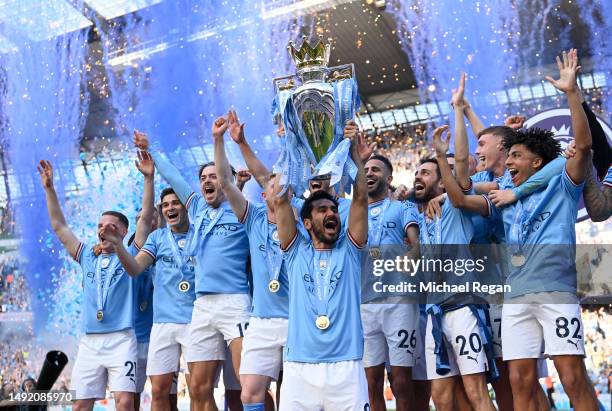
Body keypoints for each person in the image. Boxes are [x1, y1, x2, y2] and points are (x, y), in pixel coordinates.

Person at [433, 49, 599, 411]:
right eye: (506, 159)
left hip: (555, 291)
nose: (507, 164)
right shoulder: (504, 193)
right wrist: (456, 126)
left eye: (515, 158)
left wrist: (572, 93)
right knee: (519, 382)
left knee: (571, 377)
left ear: (536, 161)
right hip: (514, 298)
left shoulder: (563, 183)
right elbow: (462, 187)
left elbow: (583, 146)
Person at [134, 128, 251, 411]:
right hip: (202, 306)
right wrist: (152, 150)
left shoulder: (241, 209)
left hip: (234, 301)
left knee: (249, 385)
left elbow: (225, 178)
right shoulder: (196, 207)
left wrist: (217, 140)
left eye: (213, 177)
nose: (207, 181)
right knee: (199, 388)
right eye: (203, 178)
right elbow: (173, 176)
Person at [37, 150, 154, 411]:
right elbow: (60, 227)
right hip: (90, 341)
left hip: (122, 340)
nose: (103, 230)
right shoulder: (87, 255)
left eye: (111, 226)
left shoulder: (131, 253)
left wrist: (148, 180)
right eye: (100, 225)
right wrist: (49, 189)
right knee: (80, 406)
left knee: (125, 403)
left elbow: (145, 219)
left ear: (123, 231)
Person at [274, 122, 370, 409]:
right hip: (299, 368)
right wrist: (289, 144)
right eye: (322, 210)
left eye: (333, 209)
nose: (332, 214)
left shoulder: (350, 250)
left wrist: (354, 154)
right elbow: (280, 201)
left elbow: (361, 200)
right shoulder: (294, 252)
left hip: (347, 367)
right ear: (306, 223)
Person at [212, 112, 288, 411]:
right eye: (271, 184)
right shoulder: (253, 216)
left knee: (292, 396)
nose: (274, 186)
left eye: (281, 185)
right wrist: (220, 141)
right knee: (249, 394)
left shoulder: (299, 218)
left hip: (298, 318)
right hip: (261, 320)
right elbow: (226, 183)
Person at [103, 185, 197, 411]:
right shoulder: (133, 249)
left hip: (174, 326)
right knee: (134, 397)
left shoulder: (171, 240)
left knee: (176, 393)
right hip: (135, 337)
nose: (149, 221)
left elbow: (165, 230)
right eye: (163, 207)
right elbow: (134, 261)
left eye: (155, 217)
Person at [359, 148, 420, 411]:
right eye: (366, 170)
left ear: (389, 176)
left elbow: (417, 247)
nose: (369, 173)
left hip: (399, 301)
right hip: (364, 303)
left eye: (375, 169)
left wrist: (405, 261)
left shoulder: (403, 207)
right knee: (370, 382)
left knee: (401, 381)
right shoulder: (352, 212)